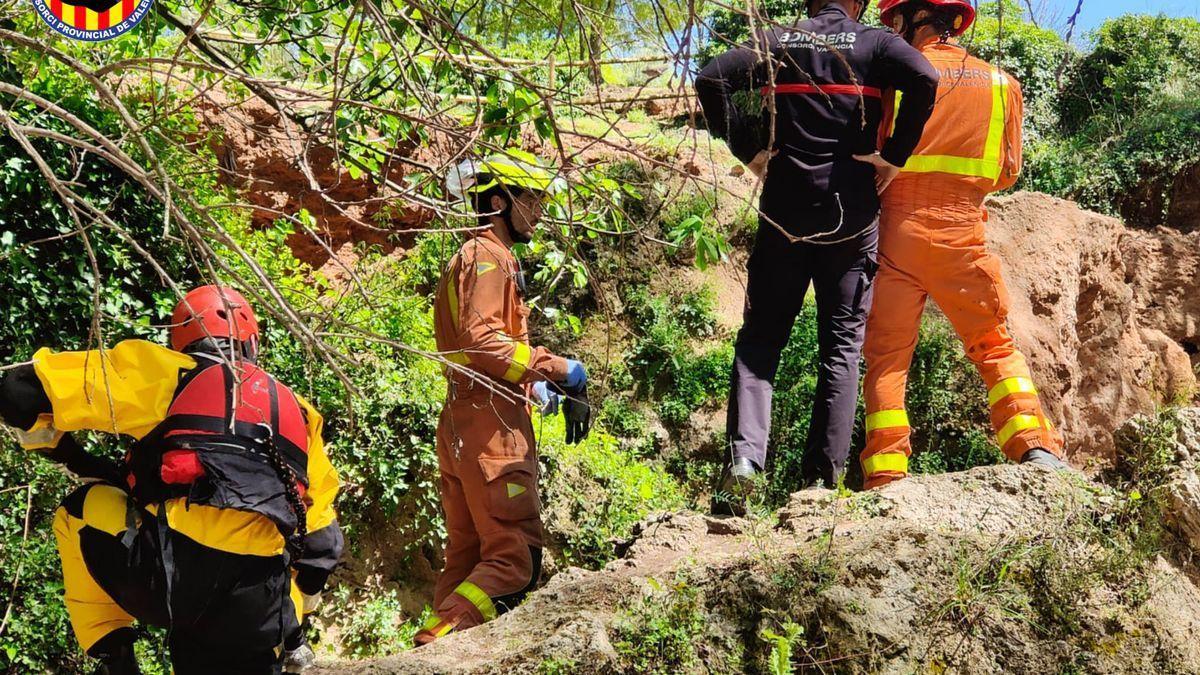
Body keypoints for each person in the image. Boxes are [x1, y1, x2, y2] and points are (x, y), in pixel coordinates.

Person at [0, 286, 344, 674]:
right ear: (252, 344)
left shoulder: (164, 374)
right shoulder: (298, 413)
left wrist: (68, 453)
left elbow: (18, 392)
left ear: (181, 341)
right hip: (258, 609)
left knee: (80, 508)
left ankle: (115, 659)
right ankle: (292, 643)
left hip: (168, 586)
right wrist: (295, 617)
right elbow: (323, 544)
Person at [695, 0, 939, 509]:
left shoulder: (779, 40)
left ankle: (744, 461)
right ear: (859, 3)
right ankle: (820, 484)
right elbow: (925, 77)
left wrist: (749, 148)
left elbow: (712, 77)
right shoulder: (876, 44)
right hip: (850, 215)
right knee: (841, 348)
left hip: (784, 211)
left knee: (761, 341)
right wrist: (894, 156)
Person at [857, 0, 1067, 489]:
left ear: (913, 18)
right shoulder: (1003, 84)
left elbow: (874, 147)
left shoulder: (894, 78)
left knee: (887, 356)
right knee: (993, 343)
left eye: (894, 22)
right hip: (962, 234)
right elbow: (1006, 172)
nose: (891, 31)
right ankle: (1033, 444)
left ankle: (887, 476)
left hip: (895, 231)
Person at [416, 150, 590, 644]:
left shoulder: (469, 257)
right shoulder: (490, 255)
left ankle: (429, 649)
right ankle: (437, 642)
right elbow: (483, 339)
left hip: (464, 420)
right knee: (515, 560)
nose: (539, 211)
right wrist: (560, 370)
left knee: (469, 559)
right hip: (490, 425)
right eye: (531, 200)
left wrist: (529, 384)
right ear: (498, 201)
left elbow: (476, 348)